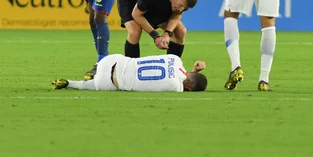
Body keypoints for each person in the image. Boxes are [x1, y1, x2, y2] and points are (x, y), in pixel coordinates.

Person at [117, 0, 199, 59]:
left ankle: (171, 69)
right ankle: (131, 70)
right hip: (130, 0)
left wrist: (167, 33)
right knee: (135, 31)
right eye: (181, 5)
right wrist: (155, 36)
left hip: (153, 7)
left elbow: (176, 15)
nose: (181, 10)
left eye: (185, 8)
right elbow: (136, 14)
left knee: (181, 31)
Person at [52, 54, 208, 92]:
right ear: (189, 90)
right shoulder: (176, 88)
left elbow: (180, 73)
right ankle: (72, 83)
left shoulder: (175, 58)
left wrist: (194, 71)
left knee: (125, 60)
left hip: (111, 60)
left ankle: (96, 67)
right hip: (108, 83)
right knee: (90, 85)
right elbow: (181, 82)